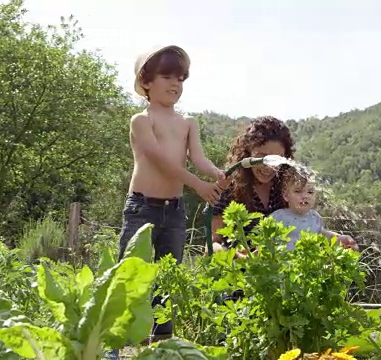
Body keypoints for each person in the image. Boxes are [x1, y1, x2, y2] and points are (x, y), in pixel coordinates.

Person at [116, 44, 224, 349]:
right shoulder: (141, 120)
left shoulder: (188, 123)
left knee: (168, 278)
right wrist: (197, 186)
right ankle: (119, 344)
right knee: (131, 274)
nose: (175, 84)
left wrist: (216, 174)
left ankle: (159, 346)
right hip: (141, 208)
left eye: (181, 78)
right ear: (146, 82)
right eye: (167, 76)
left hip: (174, 211)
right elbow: (160, 159)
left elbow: (199, 159)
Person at [208, 116, 295, 258]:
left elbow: (306, 225)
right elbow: (212, 245)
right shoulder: (228, 187)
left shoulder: (290, 186)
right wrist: (241, 258)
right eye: (261, 156)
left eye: (276, 158)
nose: (269, 166)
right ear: (248, 154)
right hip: (238, 273)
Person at [270, 165, 359, 251]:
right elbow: (264, 238)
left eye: (310, 192)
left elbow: (321, 234)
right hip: (284, 265)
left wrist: (340, 239)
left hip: (308, 265)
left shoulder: (314, 217)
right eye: (298, 191)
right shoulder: (279, 217)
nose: (305, 196)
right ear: (286, 195)